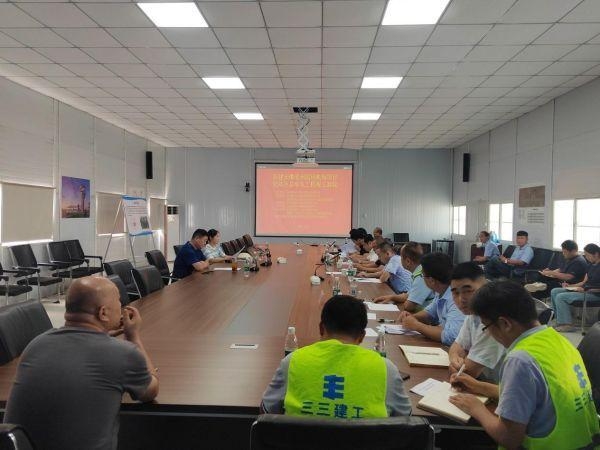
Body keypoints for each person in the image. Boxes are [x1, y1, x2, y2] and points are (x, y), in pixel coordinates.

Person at [4, 277, 159, 450]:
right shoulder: (123, 353)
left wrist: (102, 336)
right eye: (119, 302)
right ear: (103, 313)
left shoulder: (36, 344)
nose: (122, 307)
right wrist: (133, 336)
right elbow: (150, 391)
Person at [449, 281, 599, 450]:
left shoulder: (520, 360)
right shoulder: (558, 340)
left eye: (486, 327)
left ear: (505, 324)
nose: (488, 332)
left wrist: (477, 409)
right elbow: (536, 396)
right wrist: (478, 386)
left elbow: (508, 438)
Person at [261, 295, 411, 418]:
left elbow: (267, 411)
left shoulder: (292, 361)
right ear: (362, 336)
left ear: (321, 328)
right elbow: (404, 419)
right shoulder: (385, 368)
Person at [448, 262, 505, 382]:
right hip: (484, 382)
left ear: (485, 286)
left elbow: (469, 372)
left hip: (498, 388)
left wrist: (455, 368)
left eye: (468, 291)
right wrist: (454, 359)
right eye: (455, 293)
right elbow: (457, 346)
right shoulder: (473, 312)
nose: (461, 299)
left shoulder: (494, 317)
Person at [398, 253, 465, 345]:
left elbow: (451, 336)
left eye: (423, 276)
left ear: (432, 280)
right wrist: (412, 317)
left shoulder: (456, 298)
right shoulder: (440, 290)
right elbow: (429, 313)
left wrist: (416, 325)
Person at [551, 243, 600, 332]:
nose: (586, 258)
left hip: (594, 294)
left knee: (561, 297)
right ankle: (560, 320)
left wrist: (586, 289)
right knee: (555, 291)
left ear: (596, 254)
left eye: (587, 255)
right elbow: (584, 282)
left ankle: (567, 325)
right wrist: (570, 286)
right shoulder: (590, 265)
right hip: (584, 290)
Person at [373, 242, 435, 312]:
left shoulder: (422, 276)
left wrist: (399, 300)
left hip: (427, 316)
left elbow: (409, 306)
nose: (399, 259)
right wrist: (391, 297)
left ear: (408, 261)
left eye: (401, 257)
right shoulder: (418, 272)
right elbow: (407, 296)